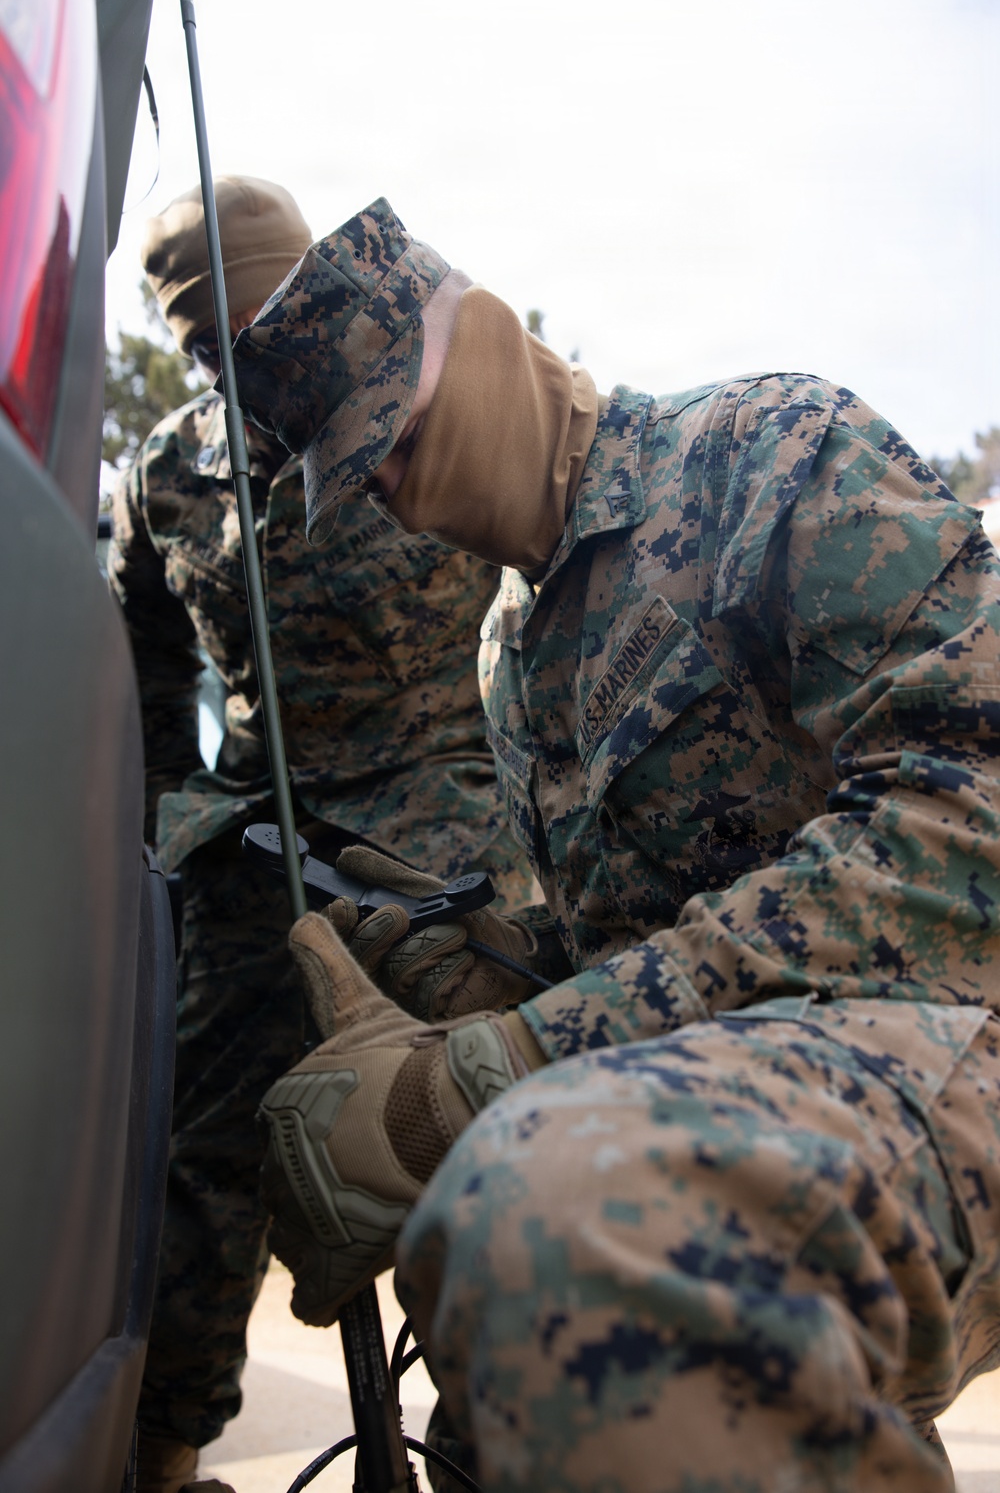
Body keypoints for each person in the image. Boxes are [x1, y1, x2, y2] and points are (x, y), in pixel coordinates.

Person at [231, 197, 1000, 1493]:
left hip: (954, 1035)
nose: (392, 493)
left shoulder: (771, 451)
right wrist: (488, 966)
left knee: (566, 1225)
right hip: (760, 1095)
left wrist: (505, 1065)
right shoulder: (509, 652)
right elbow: (639, 950)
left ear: (479, 332)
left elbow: (966, 822)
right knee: (510, 1404)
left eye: (398, 438)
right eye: (363, 476)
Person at [109, 180, 536, 1493]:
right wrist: (159, 837)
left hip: (445, 840)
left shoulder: (416, 392)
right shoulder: (164, 473)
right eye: (200, 340)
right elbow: (142, 674)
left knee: (499, 1154)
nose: (233, 360)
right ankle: (160, 1462)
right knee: (203, 1178)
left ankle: (490, 1456)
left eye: (258, 319)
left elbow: (535, 548)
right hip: (257, 859)